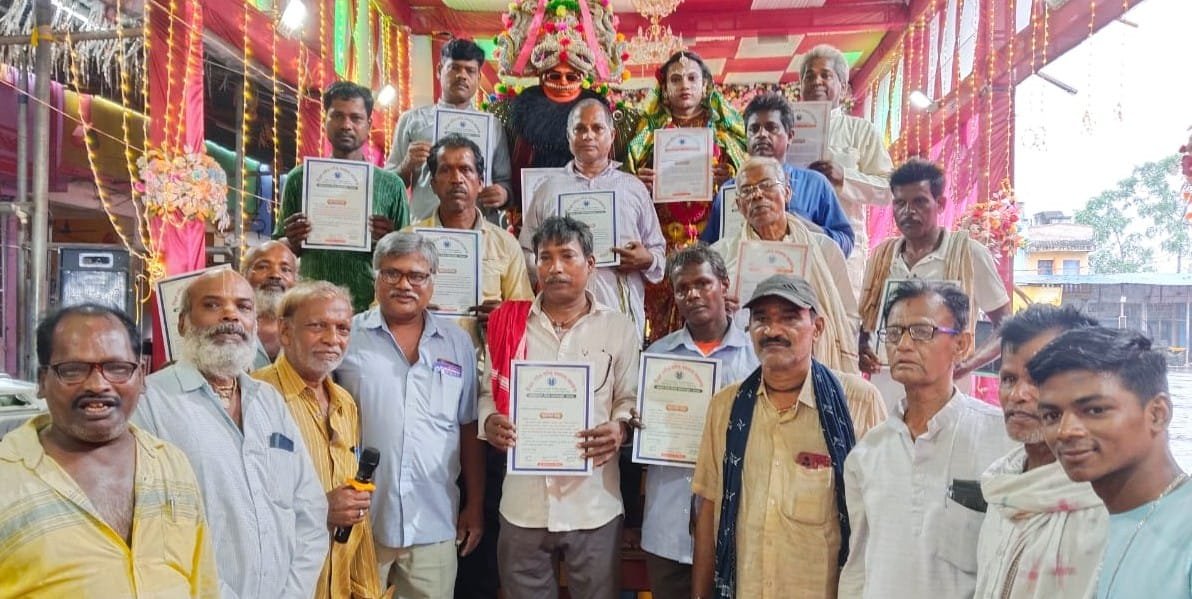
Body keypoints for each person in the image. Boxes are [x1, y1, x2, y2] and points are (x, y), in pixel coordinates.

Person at [135, 269, 329, 599]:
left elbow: (309, 510)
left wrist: (294, 593)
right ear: (182, 323)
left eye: (243, 307)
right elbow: (155, 530)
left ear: (254, 322)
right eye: (212, 305)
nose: (231, 315)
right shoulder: (150, 402)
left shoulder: (268, 400)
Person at [0, 305, 218, 598]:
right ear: (42, 382)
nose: (98, 385)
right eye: (73, 369)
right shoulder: (7, 477)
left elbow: (202, 585)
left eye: (117, 368)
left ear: (141, 376)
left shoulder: (171, 464)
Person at [690, 274, 885, 599]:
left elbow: (882, 516)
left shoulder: (858, 403)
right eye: (761, 319)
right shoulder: (726, 407)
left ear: (817, 328)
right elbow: (709, 508)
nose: (772, 330)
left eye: (789, 318)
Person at [480, 216, 639, 598]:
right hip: (523, 503)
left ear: (591, 263)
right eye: (545, 257)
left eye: (567, 256)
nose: (555, 267)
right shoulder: (508, 323)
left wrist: (619, 428)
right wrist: (490, 421)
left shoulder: (618, 327)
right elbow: (487, 393)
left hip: (593, 503)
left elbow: (629, 399)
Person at [838, 280, 1014, 599]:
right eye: (894, 333)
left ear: (961, 344)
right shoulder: (867, 454)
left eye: (921, 331)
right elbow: (858, 566)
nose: (904, 345)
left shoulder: (1001, 440)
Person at [336, 231, 484, 598]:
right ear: (376, 277)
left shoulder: (457, 343)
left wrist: (475, 505)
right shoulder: (347, 337)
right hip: (361, 521)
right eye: (392, 273)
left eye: (417, 275)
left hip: (433, 521)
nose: (404, 284)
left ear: (432, 281)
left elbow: (468, 427)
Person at [1029, 327, 1191, 599]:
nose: (1065, 431)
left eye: (1095, 410)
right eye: (1052, 416)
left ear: (1157, 414)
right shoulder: (1085, 526)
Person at [636, 245, 759, 599]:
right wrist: (638, 422)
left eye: (703, 283)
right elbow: (637, 423)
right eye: (682, 288)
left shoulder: (754, 358)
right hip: (667, 528)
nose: (692, 294)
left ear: (724, 285)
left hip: (735, 528)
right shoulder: (657, 356)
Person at [252, 281, 382, 599]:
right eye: (317, 326)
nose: (332, 339)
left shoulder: (344, 403)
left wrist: (366, 588)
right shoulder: (254, 396)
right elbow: (239, 508)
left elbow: (355, 512)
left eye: (342, 328)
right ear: (285, 332)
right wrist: (320, 508)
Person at [974, 305, 1106, 599]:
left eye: (1037, 380)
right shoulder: (1002, 486)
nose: (1017, 395)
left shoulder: (1103, 506)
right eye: (1009, 379)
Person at [858, 159, 1010, 405]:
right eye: (900, 203)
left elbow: (1006, 326)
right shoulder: (882, 257)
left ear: (940, 204)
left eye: (919, 202)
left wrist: (968, 363)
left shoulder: (968, 254)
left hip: (947, 395)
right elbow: (866, 322)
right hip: (887, 392)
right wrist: (863, 347)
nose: (908, 212)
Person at [626, 50, 749, 341]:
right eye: (676, 79)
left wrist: (729, 179)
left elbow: (746, 183)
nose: (685, 85)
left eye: (692, 78)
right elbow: (625, 187)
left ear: (705, 86)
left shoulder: (724, 134)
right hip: (664, 240)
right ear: (665, 89)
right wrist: (639, 184)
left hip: (712, 237)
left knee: (710, 312)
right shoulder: (646, 134)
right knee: (664, 319)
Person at [521, 98, 667, 341]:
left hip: (620, 312)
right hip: (561, 319)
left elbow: (658, 252)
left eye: (597, 128)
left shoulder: (632, 188)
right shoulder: (549, 190)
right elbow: (526, 250)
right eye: (580, 129)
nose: (588, 135)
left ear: (612, 135)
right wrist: (549, 266)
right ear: (569, 137)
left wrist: (647, 259)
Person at [491, 0, 633, 232]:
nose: (563, 82)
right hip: (530, 219)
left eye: (572, 76)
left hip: (594, 217)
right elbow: (501, 173)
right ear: (541, 77)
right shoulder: (510, 117)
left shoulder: (609, 118)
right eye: (555, 76)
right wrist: (504, 194)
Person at [710, 156, 859, 373]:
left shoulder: (825, 250)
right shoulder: (720, 255)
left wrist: (814, 336)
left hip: (812, 366)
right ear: (739, 206)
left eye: (766, 185)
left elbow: (848, 316)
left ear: (787, 192)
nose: (757, 195)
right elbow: (708, 326)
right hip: (744, 368)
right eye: (747, 191)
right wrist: (719, 315)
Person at [276, 81, 411, 313]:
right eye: (337, 116)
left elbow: (408, 257)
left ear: (369, 125)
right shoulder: (301, 178)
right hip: (311, 305)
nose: (346, 125)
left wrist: (388, 242)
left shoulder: (391, 185)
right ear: (325, 120)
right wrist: (292, 240)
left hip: (370, 307)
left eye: (356, 118)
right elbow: (280, 250)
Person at [402, 133, 533, 344]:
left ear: (480, 182)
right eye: (446, 170)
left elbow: (526, 311)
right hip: (421, 356)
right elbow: (380, 307)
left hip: (484, 358)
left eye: (465, 169)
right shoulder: (407, 241)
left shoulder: (505, 244)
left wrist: (504, 316)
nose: (456, 179)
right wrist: (409, 311)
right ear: (433, 184)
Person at [700, 92, 854, 257]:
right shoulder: (730, 190)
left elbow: (845, 242)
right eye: (754, 129)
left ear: (790, 136)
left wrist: (803, 228)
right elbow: (709, 249)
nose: (761, 134)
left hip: (800, 271)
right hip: (742, 271)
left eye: (771, 128)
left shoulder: (815, 184)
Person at [799, 44, 894, 295]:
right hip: (794, 245)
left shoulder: (860, 131)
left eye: (826, 75)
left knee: (842, 316)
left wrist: (845, 178)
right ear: (801, 86)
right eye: (809, 76)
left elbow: (889, 190)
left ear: (842, 87)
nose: (816, 81)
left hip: (844, 247)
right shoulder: (786, 131)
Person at [387, 39, 512, 223]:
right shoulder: (412, 120)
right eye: (454, 68)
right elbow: (388, 185)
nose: (462, 76)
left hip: (478, 230)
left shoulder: (492, 126)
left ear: (478, 78)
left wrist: (503, 193)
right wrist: (407, 164)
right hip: (425, 227)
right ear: (439, 70)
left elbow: (505, 181)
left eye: (470, 70)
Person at [242, 239, 299, 368]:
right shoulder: (230, 324)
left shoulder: (307, 329)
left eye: (285, 269)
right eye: (263, 267)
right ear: (244, 274)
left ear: (295, 280)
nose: (275, 275)